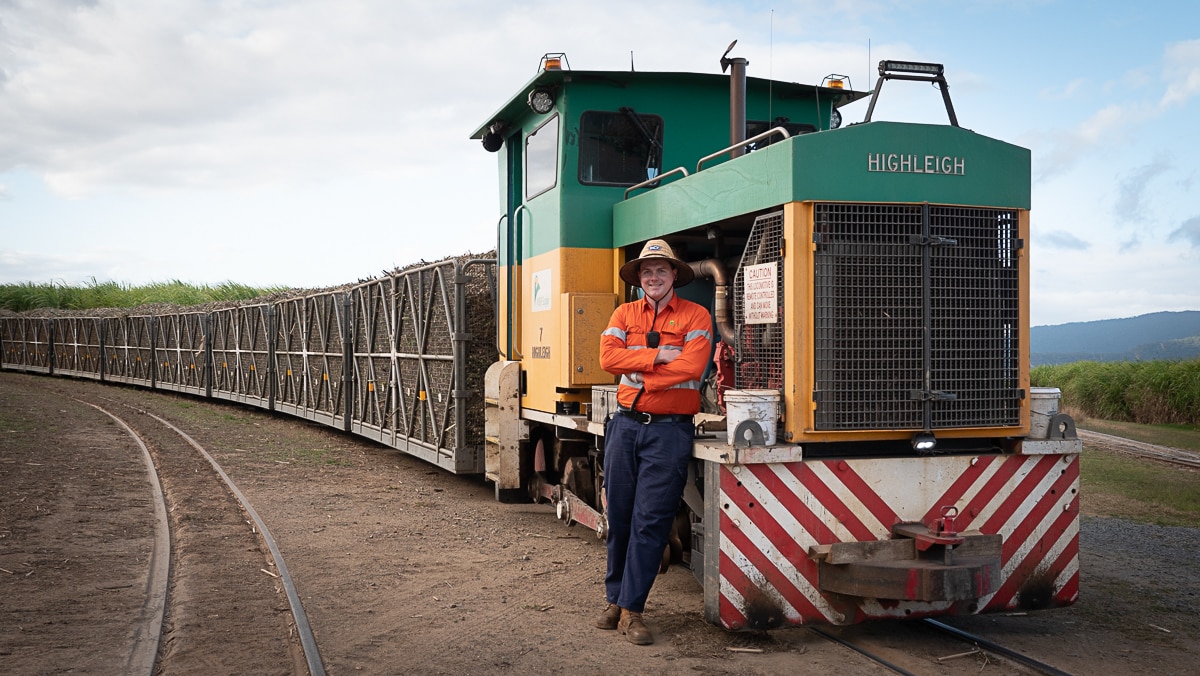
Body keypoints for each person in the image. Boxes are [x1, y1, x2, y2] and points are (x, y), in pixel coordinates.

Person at [596, 239, 713, 645]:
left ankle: (633, 611)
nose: (654, 277)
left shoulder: (696, 315)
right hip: (625, 426)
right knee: (621, 521)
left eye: (661, 270)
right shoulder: (623, 313)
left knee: (651, 522)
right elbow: (608, 359)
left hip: (669, 430)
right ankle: (615, 599)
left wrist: (640, 371)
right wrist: (658, 358)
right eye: (647, 272)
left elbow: (693, 365)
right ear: (639, 278)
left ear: (674, 275)